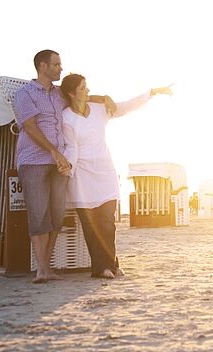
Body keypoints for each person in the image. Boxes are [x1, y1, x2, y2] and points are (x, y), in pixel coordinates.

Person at [13, 50, 115, 284]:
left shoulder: (59, 94)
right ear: (42, 66)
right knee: (39, 214)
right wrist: (54, 151)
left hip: (59, 164)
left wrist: (104, 98)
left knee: (57, 215)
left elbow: (80, 97)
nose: (61, 68)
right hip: (34, 161)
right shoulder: (25, 94)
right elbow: (29, 126)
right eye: (56, 64)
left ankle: (47, 267)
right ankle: (41, 269)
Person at [59, 73, 173, 279]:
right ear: (72, 93)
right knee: (90, 226)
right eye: (83, 88)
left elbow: (125, 106)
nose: (88, 90)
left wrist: (152, 93)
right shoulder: (66, 116)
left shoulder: (100, 109)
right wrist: (68, 167)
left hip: (105, 173)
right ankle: (103, 267)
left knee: (107, 222)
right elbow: (71, 148)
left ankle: (109, 264)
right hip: (82, 177)